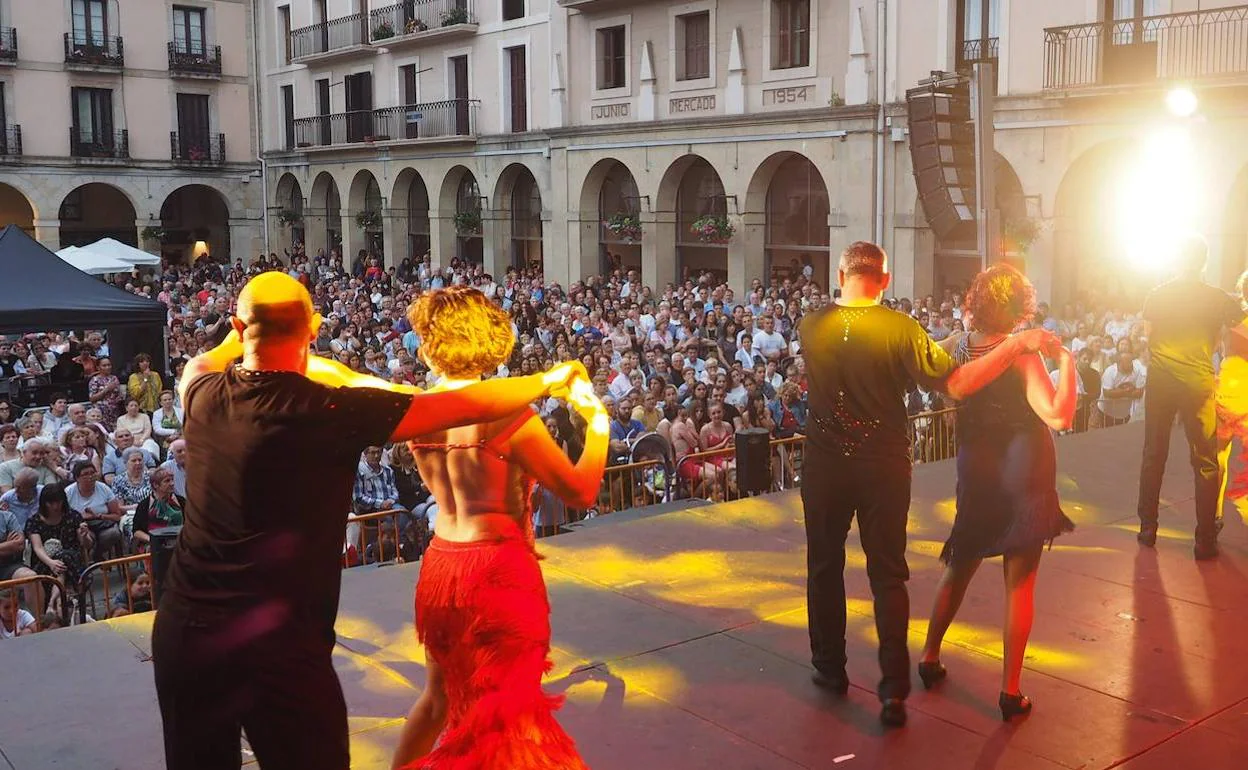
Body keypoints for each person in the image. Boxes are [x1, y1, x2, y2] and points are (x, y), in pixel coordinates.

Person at [151, 272, 586, 770]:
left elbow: (201, 361)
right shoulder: (330, 410)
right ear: (313, 328)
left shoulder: (201, 393)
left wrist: (235, 335)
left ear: (237, 324)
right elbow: (457, 405)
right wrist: (549, 381)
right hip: (281, 645)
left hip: (187, 632)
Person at [798, 242, 1055, 727]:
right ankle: (893, 691)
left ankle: (829, 670)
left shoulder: (810, 325)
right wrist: (1015, 345)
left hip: (825, 466)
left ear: (840, 273)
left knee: (823, 566)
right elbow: (955, 383)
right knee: (888, 574)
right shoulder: (900, 329)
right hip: (883, 468)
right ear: (886, 279)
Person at [390, 286, 608, 770]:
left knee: (437, 700)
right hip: (497, 573)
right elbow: (581, 490)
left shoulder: (421, 413)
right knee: (511, 716)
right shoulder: (510, 417)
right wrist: (598, 427)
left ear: (431, 344)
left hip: (442, 566)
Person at [918, 265, 1077, 721]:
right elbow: (1059, 416)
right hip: (1024, 466)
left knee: (961, 563)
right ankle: (1010, 690)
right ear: (1019, 306)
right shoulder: (1023, 354)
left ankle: (929, 656)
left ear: (976, 301)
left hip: (977, 465)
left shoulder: (958, 345)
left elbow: (937, 381)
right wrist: (1066, 364)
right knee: (1020, 582)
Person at [1136, 236, 1247, 560]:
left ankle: (1147, 528)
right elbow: (1242, 328)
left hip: (1161, 378)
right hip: (1197, 380)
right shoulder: (1216, 298)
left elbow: (1148, 335)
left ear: (1177, 260)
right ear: (1204, 262)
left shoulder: (1157, 294)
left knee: (1153, 454)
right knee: (1206, 461)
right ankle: (1204, 540)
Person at [1216, 271, 1248, 521]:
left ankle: (1213, 515)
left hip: (1229, 392)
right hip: (1232, 392)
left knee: (1218, 456)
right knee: (1219, 456)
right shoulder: (1232, 320)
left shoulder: (1231, 322)